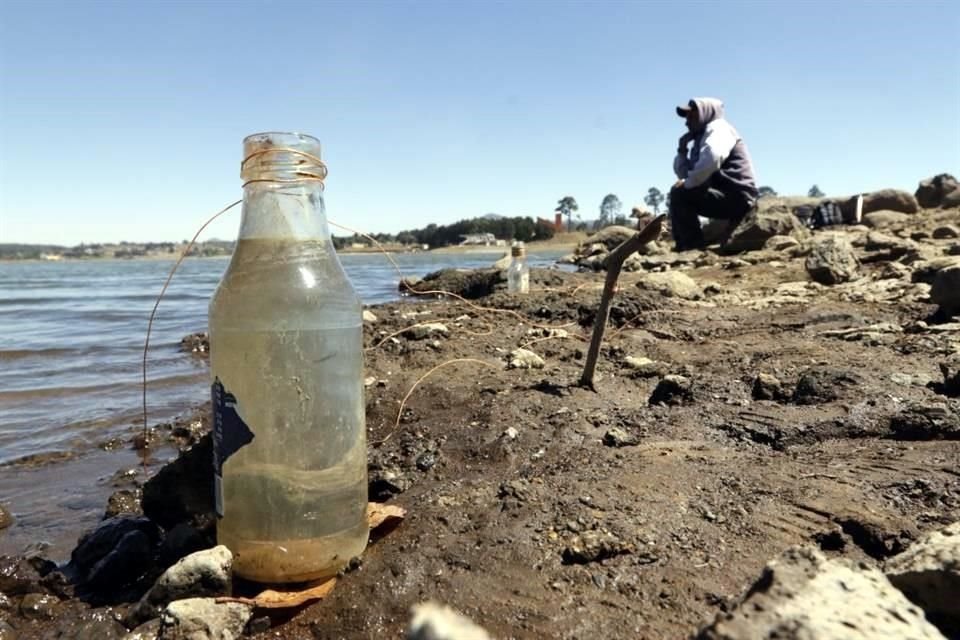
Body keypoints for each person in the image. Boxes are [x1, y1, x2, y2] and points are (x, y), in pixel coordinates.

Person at [670, 97, 758, 250]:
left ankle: (691, 249)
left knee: (680, 193)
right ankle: (684, 247)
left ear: (706, 112)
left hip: (737, 196)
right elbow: (685, 174)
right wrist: (682, 149)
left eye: (692, 116)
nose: (686, 122)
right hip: (725, 195)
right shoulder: (700, 140)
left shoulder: (718, 128)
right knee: (679, 192)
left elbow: (712, 157)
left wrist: (687, 183)